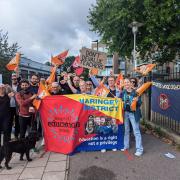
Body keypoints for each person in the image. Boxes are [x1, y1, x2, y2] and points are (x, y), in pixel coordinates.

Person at [120, 78, 143, 156]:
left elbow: (140, 103)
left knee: (136, 131)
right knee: (126, 130)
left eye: (128, 82)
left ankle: (139, 149)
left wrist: (137, 101)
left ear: (131, 83)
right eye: (125, 82)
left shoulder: (135, 92)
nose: (126, 84)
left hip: (133, 114)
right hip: (126, 113)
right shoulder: (123, 92)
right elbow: (120, 101)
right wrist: (119, 101)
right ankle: (126, 146)